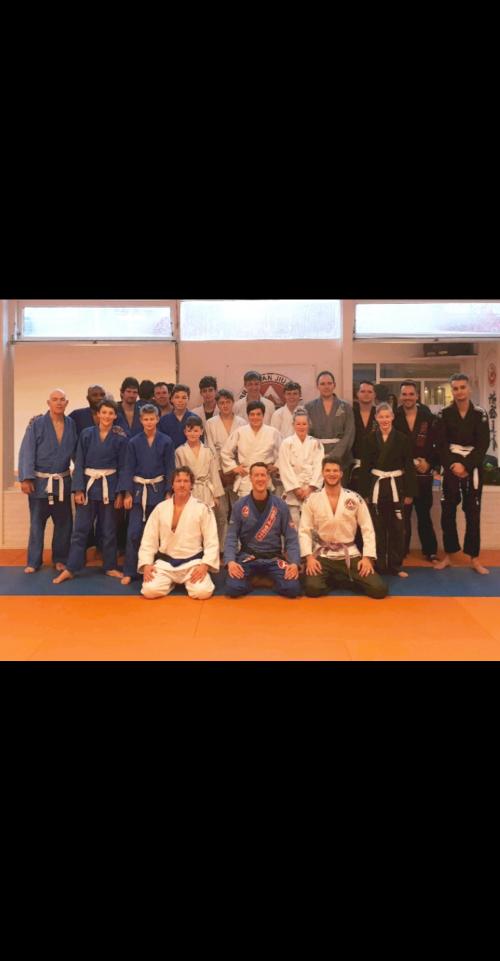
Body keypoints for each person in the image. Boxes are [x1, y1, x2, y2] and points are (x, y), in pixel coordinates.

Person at [53, 398, 128, 583]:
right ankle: (71, 567)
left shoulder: (120, 438)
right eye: (104, 412)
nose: (107, 416)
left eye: (111, 413)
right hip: (88, 487)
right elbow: (79, 463)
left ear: (115, 416)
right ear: (98, 414)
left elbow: (124, 467)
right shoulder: (86, 434)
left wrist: (121, 492)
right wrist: (78, 489)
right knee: (80, 529)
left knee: (109, 530)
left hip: (109, 487)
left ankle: (110, 566)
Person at [299, 456, 388, 599]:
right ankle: (341, 579)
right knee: (312, 589)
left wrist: (367, 558)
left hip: (350, 553)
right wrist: (309, 558)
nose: (332, 474)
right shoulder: (312, 499)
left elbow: (367, 529)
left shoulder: (354, 498)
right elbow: (304, 530)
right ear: (322, 473)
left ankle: (338, 578)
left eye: (335, 471)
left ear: (341, 473)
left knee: (379, 590)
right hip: (323, 554)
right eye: (328, 470)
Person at [434, 373, 490, 574]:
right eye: (455, 388)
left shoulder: (480, 414)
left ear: (469, 389)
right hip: (451, 466)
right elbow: (440, 444)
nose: (459, 391)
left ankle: (474, 557)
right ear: (452, 391)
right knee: (448, 512)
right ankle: (449, 555)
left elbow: (483, 444)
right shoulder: (444, 414)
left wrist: (465, 465)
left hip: (472, 467)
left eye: (462, 387)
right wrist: (453, 465)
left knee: (473, 512)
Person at [18, 388, 77, 574]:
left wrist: (80, 477)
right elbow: (27, 451)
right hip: (39, 482)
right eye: (55, 399)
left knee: (64, 524)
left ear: (67, 403)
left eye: (62, 399)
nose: (58, 402)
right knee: (37, 524)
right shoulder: (37, 424)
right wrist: (26, 478)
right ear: (48, 403)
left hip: (62, 482)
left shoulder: (71, 424)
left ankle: (60, 559)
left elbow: (76, 452)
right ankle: (34, 561)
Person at [138, 466, 219, 600]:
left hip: (192, 564)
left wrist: (205, 565)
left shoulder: (202, 508)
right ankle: (169, 582)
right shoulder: (161, 508)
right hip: (166, 564)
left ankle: (183, 582)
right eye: (178, 481)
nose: (182, 485)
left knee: (202, 592)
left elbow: (212, 540)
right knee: (149, 590)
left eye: (186, 481)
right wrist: (147, 564)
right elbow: (149, 539)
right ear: (172, 485)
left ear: (191, 485)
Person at [224, 463, 301, 598]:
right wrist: (231, 561)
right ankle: (260, 581)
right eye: (256, 475)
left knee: (293, 588)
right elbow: (231, 536)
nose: (260, 479)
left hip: (273, 557)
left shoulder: (280, 505)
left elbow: (291, 537)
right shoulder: (240, 505)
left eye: (263, 475)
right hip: (248, 557)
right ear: (250, 478)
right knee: (233, 588)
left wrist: (294, 563)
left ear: (268, 478)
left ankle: (262, 581)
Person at [358, 402, 418, 577]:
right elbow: (364, 468)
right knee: (377, 526)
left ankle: (395, 565)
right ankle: (378, 565)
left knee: (397, 527)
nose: (384, 420)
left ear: (392, 417)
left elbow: (409, 466)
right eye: (381, 416)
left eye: (387, 416)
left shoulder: (402, 439)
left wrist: (410, 493)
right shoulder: (368, 440)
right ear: (376, 418)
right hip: (376, 486)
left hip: (396, 486)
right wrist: (365, 493)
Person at [120, 403, 175, 585]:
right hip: (138, 492)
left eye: (152, 419)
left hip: (158, 491)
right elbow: (128, 468)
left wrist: (169, 492)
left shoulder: (166, 441)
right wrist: (127, 493)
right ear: (141, 420)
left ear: (157, 419)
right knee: (134, 532)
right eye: (146, 419)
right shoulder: (134, 442)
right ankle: (130, 570)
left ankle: (158, 570)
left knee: (160, 533)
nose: (149, 422)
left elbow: (170, 468)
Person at [394, 380, 440, 563]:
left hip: (423, 473)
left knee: (424, 514)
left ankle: (430, 551)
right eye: (404, 394)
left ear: (417, 396)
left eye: (411, 394)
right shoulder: (394, 416)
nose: (408, 397)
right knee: (402, 515)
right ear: (400, 396)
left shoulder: (428, 417)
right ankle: (401, 550)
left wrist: (429, 463)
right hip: (402, 473)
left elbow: (437, 444)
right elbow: (391, 445)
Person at [205, 389, 246, 550]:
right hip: (218, 473)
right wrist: (219, 472)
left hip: (238, 471)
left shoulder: (242, 422)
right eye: (221, 403)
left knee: (238, 512)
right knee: (221, 513)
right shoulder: (210, 423)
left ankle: (239, 547)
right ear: (217, 404)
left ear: (233, 403)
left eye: (228, 402)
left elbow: (243, 449)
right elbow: (210, 449)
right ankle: (221, 548)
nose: (225, 405)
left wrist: (234, 469)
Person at [221, 401, 282, 497]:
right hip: (246, 477)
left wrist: (276, 466)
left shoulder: (273, 432)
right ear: (248, 416)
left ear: (263, 415)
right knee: (246, 506)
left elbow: (284, 452)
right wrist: (234, 467)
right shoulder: (240, 432)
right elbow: (225, 452)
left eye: (258, 414)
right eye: (252, 414)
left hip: (264, 478)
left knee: (265, 504)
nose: (255, 417)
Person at [278, 408, 324, 526]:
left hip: (311, 490)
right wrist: (296, 489)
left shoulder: (316, 443)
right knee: (293, 525)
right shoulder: (286, 443)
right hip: (293, 490)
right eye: (298, 424)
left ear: (309, 425)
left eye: (304, 424)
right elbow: (285, 468)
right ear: (293, 425)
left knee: (312, 525)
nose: (301, 427)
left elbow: (319, 467)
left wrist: (310, 488)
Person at [305, 370, 355, 471]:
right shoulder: (308, 407)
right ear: (317, 386)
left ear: (334, 385)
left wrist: (335, 455)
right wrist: (318, 454)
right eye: (322, 384)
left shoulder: (346, 407)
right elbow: (305, 433)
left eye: (329, 383)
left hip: (341, 457)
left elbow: (349, 434)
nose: (326, 387)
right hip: (315, 457)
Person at [175, 415, 224, 509]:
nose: (192, 434)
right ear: (185, 432)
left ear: (201, 431)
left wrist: (216, 495)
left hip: (206, 491)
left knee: (207, 515)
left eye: (196, 431)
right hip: (188, 491)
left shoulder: (208, 451)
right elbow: (178, 476)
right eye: (189, 431)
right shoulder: (179, 452)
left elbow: (214, 473)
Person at [350, 381, 377, 492]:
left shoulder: (380, 414)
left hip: (376, 465)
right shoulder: (350, 413)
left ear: (374, 395)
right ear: (357, 394)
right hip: (354, 464)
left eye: (369, 392)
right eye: (363, 391)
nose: (366, 394)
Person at [158, 384, 196, 448]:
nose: (180, 400)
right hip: (169, 453)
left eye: (184, 398)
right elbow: (161, 443)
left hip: (190, 453)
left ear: (188, 399)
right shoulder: (163, 420)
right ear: (171, 399)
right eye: (177, 397)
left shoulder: (195, 419)